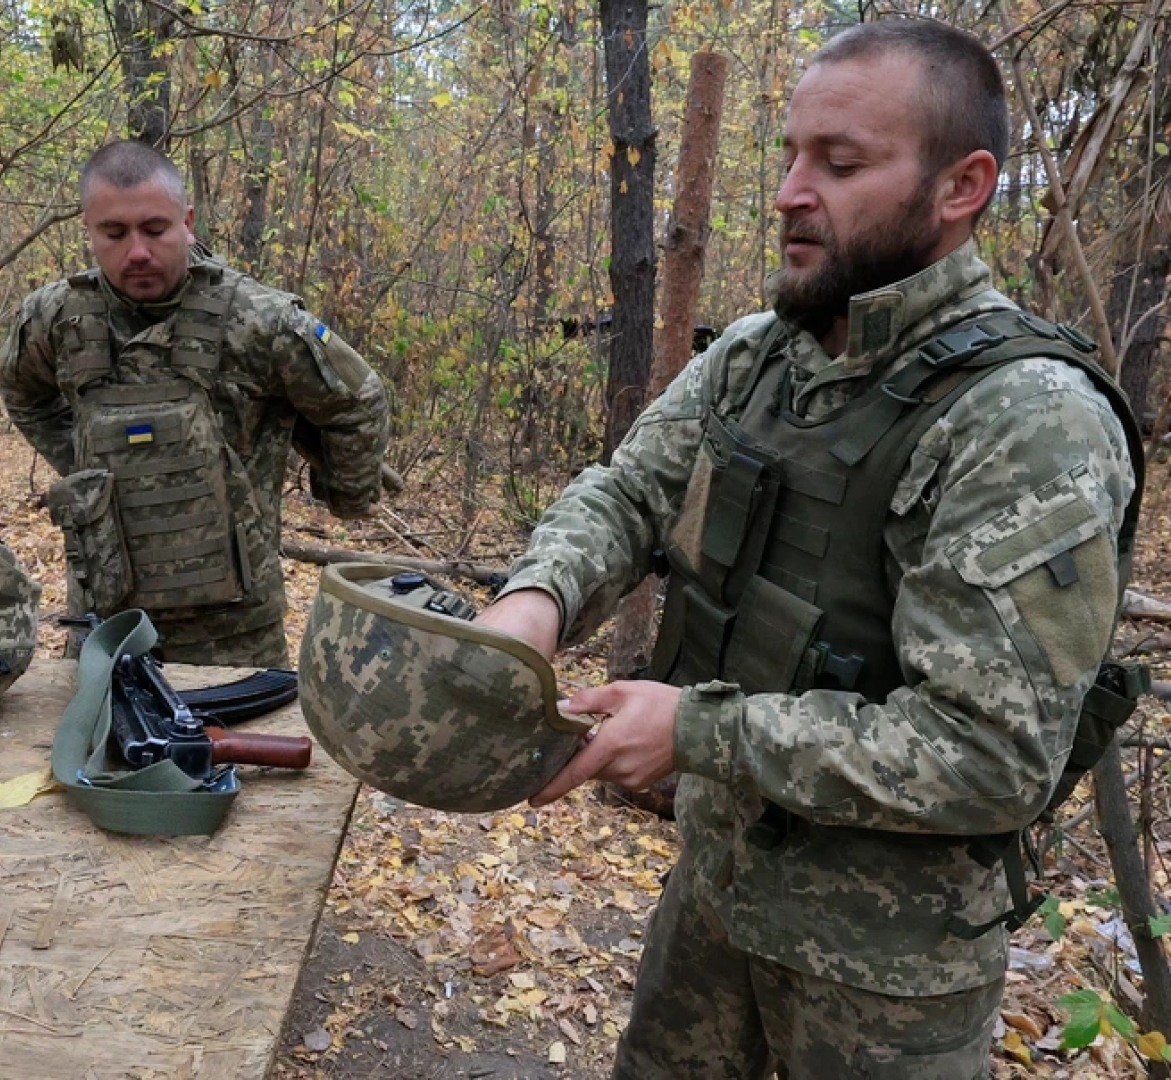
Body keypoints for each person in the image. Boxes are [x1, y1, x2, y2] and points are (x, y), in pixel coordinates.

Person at [476, 20, 1141, 1078]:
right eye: (789, 155)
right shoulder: (761, 356)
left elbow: (992, 755)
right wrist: (536, 601)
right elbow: (629, 492)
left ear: (962, 186)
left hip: (884, 973)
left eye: (839, 164)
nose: (790, 190)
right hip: (716, 894)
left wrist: (698, 732)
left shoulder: (1024, 419)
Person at [0, 140, 389, 666]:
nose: (137, 251)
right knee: (104, 748)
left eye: (155, 229)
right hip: (106, 628)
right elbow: (19, 390)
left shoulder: (259, 320)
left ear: (187, 221)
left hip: (235, 633)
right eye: (114, 233)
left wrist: (347, 493)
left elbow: (359, 399)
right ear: (89, 229)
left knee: (246, 749)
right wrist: (83, 466)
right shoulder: (56, 319)